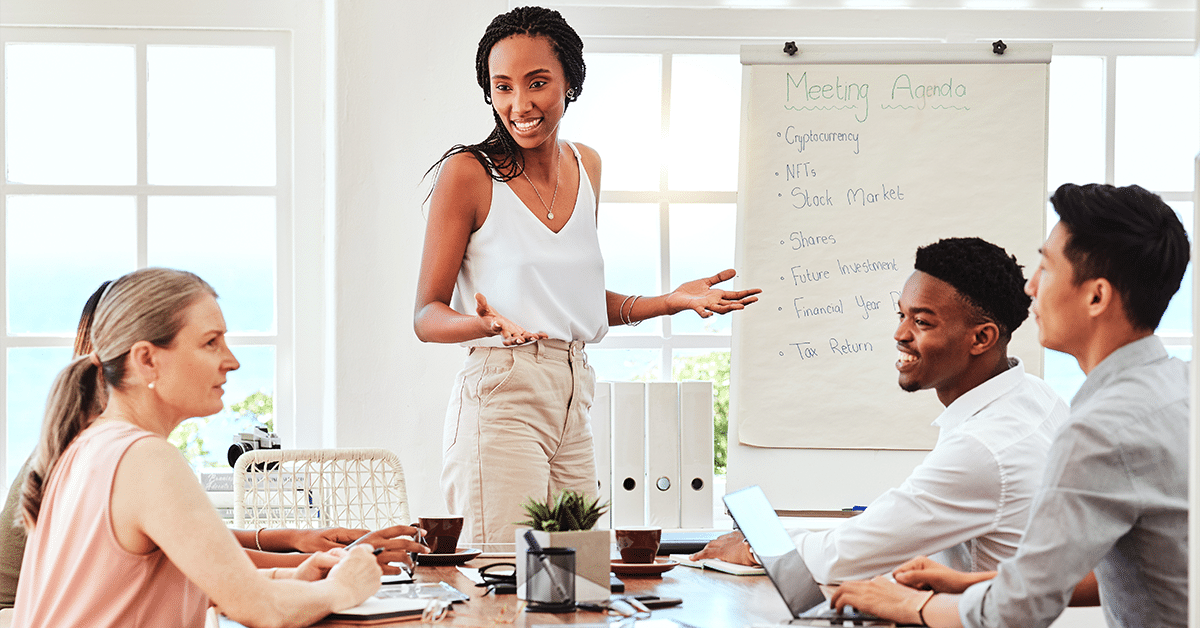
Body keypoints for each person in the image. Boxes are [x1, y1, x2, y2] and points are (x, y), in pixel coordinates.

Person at [414, 5, 760, 545]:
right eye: (502, 86)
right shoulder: (469, 174)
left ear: (570, 82)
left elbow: (578, 302)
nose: (520, 105)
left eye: (537, 83)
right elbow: (426, 315)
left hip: (574, 392)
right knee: (505, 575)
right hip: (500, 393)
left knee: (580, 577)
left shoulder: (587, 165)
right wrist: (486, 326)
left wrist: (670, 300)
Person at [832, 183, 1190, 628]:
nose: (1031, 286)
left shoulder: (1101, 429)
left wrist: (910, 605)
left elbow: (1017, 613)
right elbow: (1142, 567)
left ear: (1096, 296)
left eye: (1047, 267)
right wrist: (974, 581)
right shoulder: (1181, 387)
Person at [0, 281, 425, 610]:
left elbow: (196, 556)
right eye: (210, 342)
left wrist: (303, 554)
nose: (233, 360)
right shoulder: (142, 458)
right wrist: (342, 586)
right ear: (146, 358)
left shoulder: (98, 446)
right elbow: (262, 608)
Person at [692, 237, 1068, 583]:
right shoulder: (1035, 396)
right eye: (901, 315)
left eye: (921, 321)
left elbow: (840, 558)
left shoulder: (984, 447)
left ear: (982, 338)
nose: (901, 334)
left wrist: (751, 547)